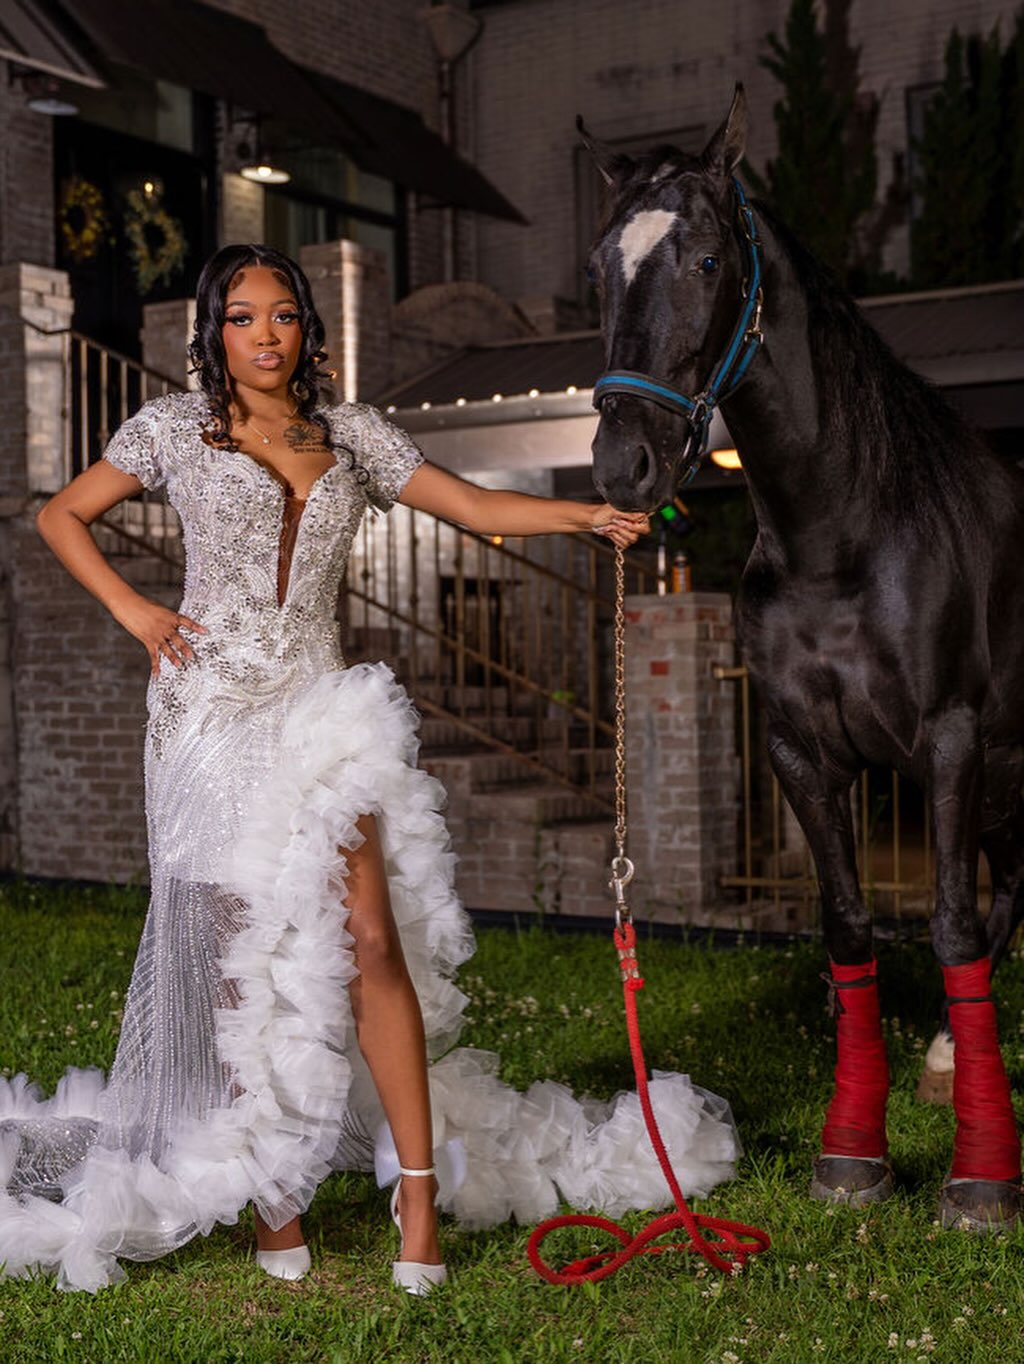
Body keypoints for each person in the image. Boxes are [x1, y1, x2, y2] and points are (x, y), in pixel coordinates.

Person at [0, 245, 739, 1294]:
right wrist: (137, 609)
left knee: (367, 935)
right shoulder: (173, 428)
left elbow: (474, 506)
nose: (265, 334)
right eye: (242, 316)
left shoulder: (352, 436)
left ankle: (419, 1187)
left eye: (284, 314)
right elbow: (59, 513)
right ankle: (273, 1194)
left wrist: (585, 515)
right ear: (211, 331)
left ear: (309, 328)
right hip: (206, 714)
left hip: (317, 709)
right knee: (234, 961)